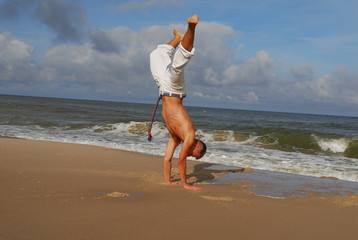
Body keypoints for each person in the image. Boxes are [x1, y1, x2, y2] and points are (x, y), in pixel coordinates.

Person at [149, 14, 206, 191]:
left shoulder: (176, 137)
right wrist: (185, 184)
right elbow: (180, 160)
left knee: (156, 54)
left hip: (163, 89)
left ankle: (177, 39)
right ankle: (192, 27)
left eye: (193, 157)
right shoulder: (189, 136)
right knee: (178, 64)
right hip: (175, 89)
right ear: (197, 146)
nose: (191, 155)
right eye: (195, 155)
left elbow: (167, 158)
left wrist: (167, 180)